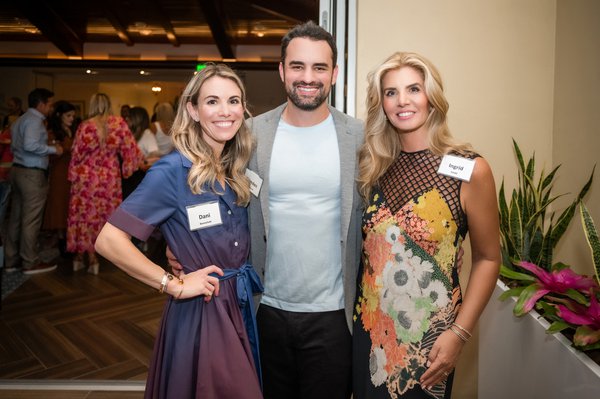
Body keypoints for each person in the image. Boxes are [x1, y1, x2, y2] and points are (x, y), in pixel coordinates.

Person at [95, 63, 263, 399]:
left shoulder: (236, 167)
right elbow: (109, 240)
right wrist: (171, 284)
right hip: (201, 311)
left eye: (234, 101)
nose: (225, 111)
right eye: (212, 101)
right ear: (193, 110)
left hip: (240, 306)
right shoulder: (172, 171)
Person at [352, 52, 501, 399]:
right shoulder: (373, 167)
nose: (402, 101)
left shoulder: (468, 169)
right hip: (370, 333)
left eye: (413, 89)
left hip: (430, 342)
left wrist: (459, 334)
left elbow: (489, 259)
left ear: (431, 98)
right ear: (382, 104)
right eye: (391, 92)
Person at [67, 93, 143, 274]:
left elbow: (76, 155)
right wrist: (127, 170)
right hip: (109, 178)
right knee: (104, 217)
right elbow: (132, 152)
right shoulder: (119, 124)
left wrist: (73, 177)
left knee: (85, 216)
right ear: (109, 104)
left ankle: (82, 257)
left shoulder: (85, 126)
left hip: (86, 178)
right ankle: (100, 257)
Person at [4, 88, 63, 274]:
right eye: (50, 104)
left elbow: (15, 146)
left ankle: (11, 261)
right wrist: (54, 150)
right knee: (31, 220)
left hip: (17, 170)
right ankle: (30, 262)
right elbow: (30, 145)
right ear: (41, 104)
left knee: (16, 218)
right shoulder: (35, 120)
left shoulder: (19, 120)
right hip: (32, 173)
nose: (51, 108)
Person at [43, 100, 77, 257]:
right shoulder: (52, 132)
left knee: (69, 206)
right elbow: (51, 154)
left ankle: (67, 241)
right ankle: (62, 241)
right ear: (59, 115)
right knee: (60, 206)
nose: (71, 118)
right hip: (59, 173)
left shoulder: (73, 131)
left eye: (73, 116)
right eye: (68, 115)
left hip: (72, 174)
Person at [122, 106, 160, 199]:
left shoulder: (147, 134)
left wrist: (141, 163)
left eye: (129, 117)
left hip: (138, 180)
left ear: (137, 119)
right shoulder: (130, 134)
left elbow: (155, 156)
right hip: (130, 180)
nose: (126, 119)